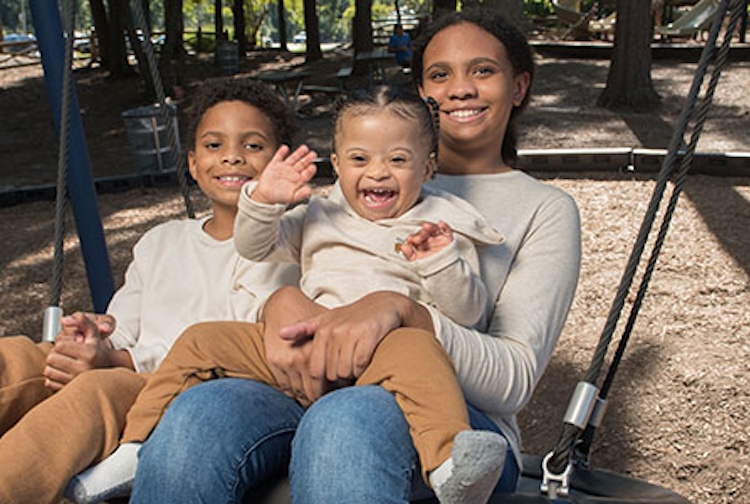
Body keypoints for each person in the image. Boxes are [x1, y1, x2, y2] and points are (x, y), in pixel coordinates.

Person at [131, 8, 582, 503]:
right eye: (439, 74)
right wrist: (278, 301)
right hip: (304, 379)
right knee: (201, 413)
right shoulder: (348, 190)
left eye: (482, 71)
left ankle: (451, 460)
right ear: (420, 95)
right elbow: (270, 262)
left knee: (344, 419)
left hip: (443, 413)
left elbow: (513, 381)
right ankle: (129, 452)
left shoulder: (540, 210)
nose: (460, 89)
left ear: (518, 87)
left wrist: (403, 312)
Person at [103, 86, 506, 504]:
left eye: (398, 160)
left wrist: (438, 264)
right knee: (201, 340)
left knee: (419, 348)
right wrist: (263, 200)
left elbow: (468, 313)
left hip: (378, 356)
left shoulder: (442, 228)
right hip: (300, 350)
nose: (378, 172)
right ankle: (135, 447)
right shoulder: (319, 214)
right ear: (336, 164)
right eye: (359, 159)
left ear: (428, 168)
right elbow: (253, 245)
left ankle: (446, 463)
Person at [0, 76, 301, 503]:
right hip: (127, 365)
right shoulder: (161, 241)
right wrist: (94, 341)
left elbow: (228, 348)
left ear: (282, 161)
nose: (232, 157)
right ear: (193, 164)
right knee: (18, 359)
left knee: (95, 391)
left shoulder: (290, 244)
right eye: (214, 146)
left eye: (253, 146)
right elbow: (122, 331)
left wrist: (114, 362)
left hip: (189, 388)